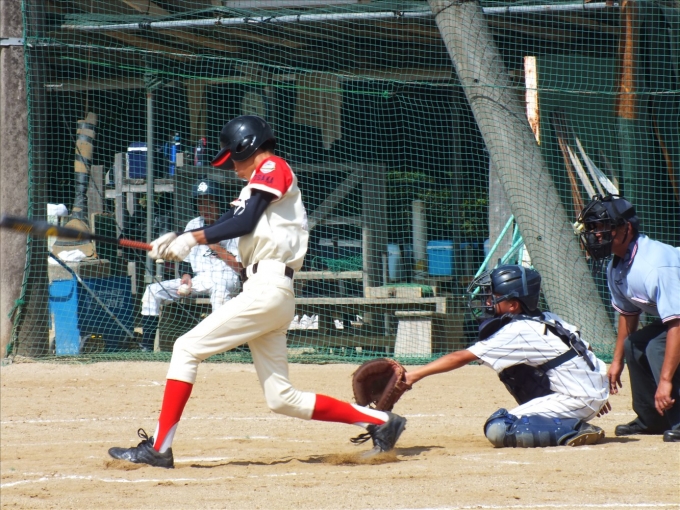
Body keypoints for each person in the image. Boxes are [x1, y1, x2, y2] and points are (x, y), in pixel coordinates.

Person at [108, 115, 407, 468]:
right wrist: (179, 238)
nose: (233, 167)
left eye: (233, 158)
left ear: (246, 147)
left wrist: (192, 238)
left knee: (185, 348)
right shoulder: (254, 187)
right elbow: (228, 222)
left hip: (267, 288)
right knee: (282, 398)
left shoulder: (272, 166)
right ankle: (381, 422)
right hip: (268, 291)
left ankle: (159, 448)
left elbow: (244, 222)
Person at [404, 264, 610, 448]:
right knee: (512, 370)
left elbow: (461, 357)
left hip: (577, 397)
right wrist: (593, 389)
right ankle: (576, 415)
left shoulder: (518, 331)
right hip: (585, 392)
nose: (487, 301)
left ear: (513, 305)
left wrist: (414, 375)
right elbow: (586, 348)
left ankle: (575, 428)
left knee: (500, 427)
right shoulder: (546, 317)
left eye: (493, 297)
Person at [576, 194, 680, 442]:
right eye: (592, 228)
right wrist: (617, 362)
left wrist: (665, 381)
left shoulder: (655, 265)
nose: (596, 234)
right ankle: (652, 419)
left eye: (603, 226)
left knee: (656, 346)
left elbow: (677, 325)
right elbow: (628, 314)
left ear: (627, 229)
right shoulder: (617, 266)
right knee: (633, 344)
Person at [138, 179, 241, 351]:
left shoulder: (234, 227)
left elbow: (240, 268)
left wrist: (215, 247)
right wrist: (186, 277)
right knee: (152, 290)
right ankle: (146, 348)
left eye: (210, 203)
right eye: (201, 203)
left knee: (220, 293)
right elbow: (186, 262)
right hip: (200, 279)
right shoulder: (194, 224)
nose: (205, 208)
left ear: (220, 203)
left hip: (227, 278)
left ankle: (219, 348)